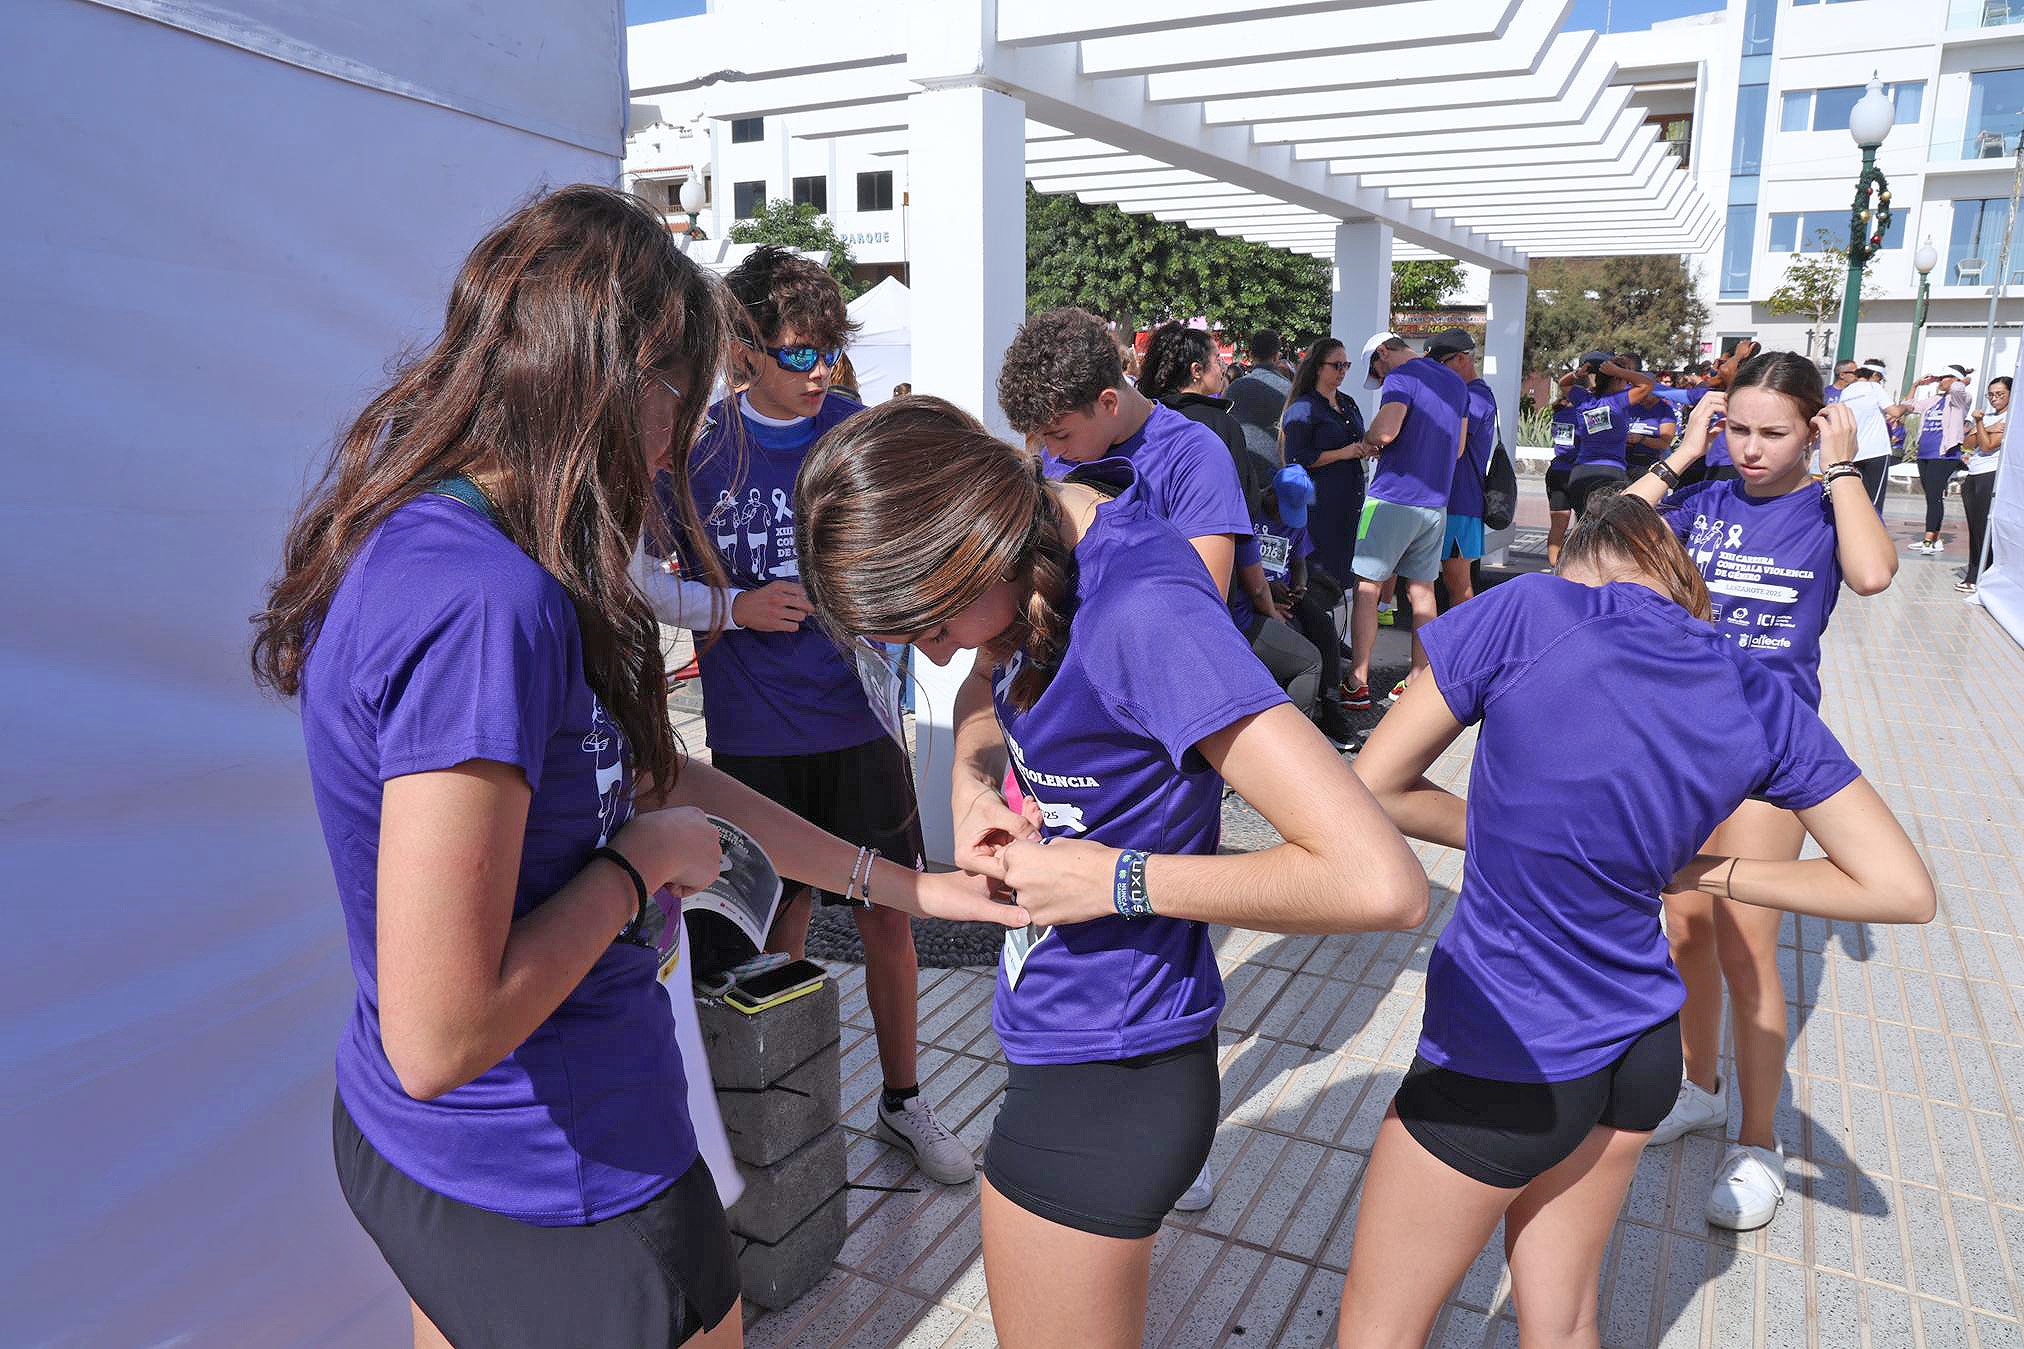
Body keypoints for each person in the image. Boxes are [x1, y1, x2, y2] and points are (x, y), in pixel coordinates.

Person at [250, 187, 1023, 1349]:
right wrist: (635, 867)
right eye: (684, 401)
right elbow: (441, 1032)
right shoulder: (485, 600)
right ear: (622, 385)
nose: (681, 440)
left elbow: (658, 774)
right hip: (555, 1166)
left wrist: (907, 884)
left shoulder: (458, 539)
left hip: (450, 1155)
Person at [792, 396, 1429, 1349]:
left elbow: (1380, 882)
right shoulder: (1039, 535)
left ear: (974, 545)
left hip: (1115, 1067)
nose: (933, 648)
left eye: (925, 618)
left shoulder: (1142, 611)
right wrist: (972, 786)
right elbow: (982, 686)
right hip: (1069, 1032)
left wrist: (1115, 881)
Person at [1338, 494, 1934, 1348]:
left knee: (1379, 1325)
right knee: (1567, 1314)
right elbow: (1903, 889)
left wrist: (1523, 833)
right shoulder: (1753, 683)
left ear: (1575, 553)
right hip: (1641, 1048)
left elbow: (1375, 784)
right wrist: (1703, 869)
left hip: (1507, 1041)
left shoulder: (1530, 608)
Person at [640, 244, 974, 1186]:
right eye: (798, 352)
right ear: (743, 348)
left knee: (887, 916)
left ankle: (905, 1101)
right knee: (767, 923)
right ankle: (772, 1108)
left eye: (829, 347)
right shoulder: (696, 446)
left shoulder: (856, 432)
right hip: (748, 735)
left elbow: (915, 550)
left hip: (861, 726)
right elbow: (638, 575)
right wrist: (730, 609)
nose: (820, 367)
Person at [1625, 352, 1897, 1231]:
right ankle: (1698, 1085)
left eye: (1773, 432)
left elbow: (1873, 574)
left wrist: (1843, 464)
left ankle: (1759, 1140)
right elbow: (1611, 536)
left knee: (1746, 943)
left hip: (1769, 753)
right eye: (1736, 428)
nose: (1749, 448)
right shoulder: (1702, 500)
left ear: (1814, 429)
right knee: (1684, 929)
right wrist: (1681, 453)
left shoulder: (1827, 509)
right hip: (1679, 743)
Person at [1000, 308, 1250, 602]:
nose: (1053, 452)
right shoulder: (1058, 453)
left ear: (1108, 403)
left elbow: (1199, 608)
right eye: (1043, 438)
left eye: (1061, 435)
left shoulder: (1195, 457)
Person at [1344, 332, 1469, 709]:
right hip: (1435, 504)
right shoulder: (1454, 381)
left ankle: (1358, 680)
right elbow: (1459, 447)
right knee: (1422, 591)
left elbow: (1385, 430)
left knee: (1368, 588)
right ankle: (1418, 676)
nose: (1380, 378)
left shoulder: (1402, 378)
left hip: (1391, 499)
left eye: (1376, 371)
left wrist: (1370, 441)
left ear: (1383, 353)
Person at [1256, 464, 1359, 747]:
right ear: (1271, 495)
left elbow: (1299, 560)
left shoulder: (1295, 524)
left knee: (1324, 628)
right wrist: (1266, 588)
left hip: (1286, 594)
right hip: (1255, 597)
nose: (1287, 519)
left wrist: (1299, 585)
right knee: (1294, 637)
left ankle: (1331, 708)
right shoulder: (1250, 514)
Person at [1137, 320, 1264, 509]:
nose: (1223, 368)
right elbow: (1246, 502)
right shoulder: (1222, 425)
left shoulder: (1144, 417)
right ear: (1196, 370)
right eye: (1217, 360)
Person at [1279, 338, 1368, 597]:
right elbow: (1296, 458)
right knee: (1320, 576)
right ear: (1319, 367)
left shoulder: (1347, 402)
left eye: (1346, 365)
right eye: (1336, 365)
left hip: (1348, 501)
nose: (1342, 371)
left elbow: (1353, 440)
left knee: (1342, 575)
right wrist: (1343, 453)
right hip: (1319, 505)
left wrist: (1364, 448)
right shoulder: (1304, 408)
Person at [1427, 328, 1495, 608]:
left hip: (1461, 503)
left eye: (1439, 365)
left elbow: (1451, 441)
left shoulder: (1476, 397)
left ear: (1461, 359)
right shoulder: (1463, 395)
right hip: (1448, 500)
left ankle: (1463, 650)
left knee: (1458, 585)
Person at [1556, 350, 1657, 517]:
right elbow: (1647, 384)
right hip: (1610, 473)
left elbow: (1563, 383)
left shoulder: (1584, 399)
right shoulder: (1619, 400)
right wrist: (1618, 370)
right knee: (1606, 531)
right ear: (1617, 380)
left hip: (1580, 473)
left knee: (1583, 528)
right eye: (1624, 380)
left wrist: (1577, 373)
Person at [1887, 366, 1974, 554]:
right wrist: (1916, 384)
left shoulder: (1960, 399)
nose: (1940, 381)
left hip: (1943, 455)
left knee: (1934, 498)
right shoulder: (1935, 400)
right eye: (1939, 378)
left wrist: (1962, 380)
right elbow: (1908, 406)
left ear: (1955, 379)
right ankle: (1936, 538)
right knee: (1931, 498)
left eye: (1944, 378)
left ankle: (1929, 541)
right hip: (1925, 454)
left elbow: (1959, 389)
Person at [1227, 328, 1295, 492]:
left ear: (1251, 354)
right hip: (1277, 480)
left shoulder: (1234, 388)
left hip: (1240, 476)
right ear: (1276, 356)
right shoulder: (1290, 390)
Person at [1959, 375, 2009, 594]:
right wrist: (1988, 427)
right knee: (1973, 527)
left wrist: (1979, 424)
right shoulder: (1990, 416)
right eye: (1991, 394)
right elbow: (1968, 444)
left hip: (1991, 474)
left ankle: (1981, 574)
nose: (1994, 399)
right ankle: (1973, 572)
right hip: (1974, 473)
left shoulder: (2010, 417)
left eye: (2000, 394)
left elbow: (1987, 446)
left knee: (1983, 527)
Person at [1838, 359, 1895, 512]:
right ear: (1875, 375)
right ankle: (1875, 534)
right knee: (1874, 502)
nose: (1881, 382)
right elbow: (1895, 412)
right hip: (1876, 452)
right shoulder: (1874, 387)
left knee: (1856, 500)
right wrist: (1907, 406)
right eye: (1881, 378)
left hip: (1853, 452)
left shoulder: (1846, 391)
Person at [1545, 383, 1586, 566]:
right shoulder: (1584, 415)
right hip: (1579, 473)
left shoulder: (1560, 414)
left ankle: (1554, 566)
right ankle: (1578, 566)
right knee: (1584, 524)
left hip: (1557, 471)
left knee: (1557, 525)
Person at [1625, 361, 1680, 481]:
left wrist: (1642, 439)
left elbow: (1664, 443)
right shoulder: (1631, 406)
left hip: (1650, 466)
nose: (1640, 395)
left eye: (1644, 392)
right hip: (1626, 463)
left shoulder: (1665, 410)